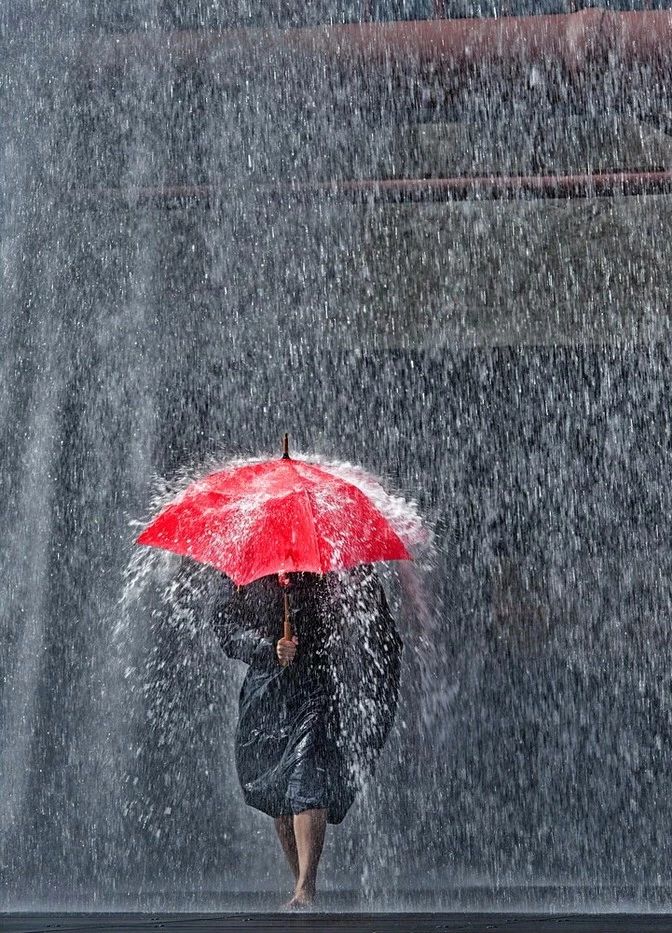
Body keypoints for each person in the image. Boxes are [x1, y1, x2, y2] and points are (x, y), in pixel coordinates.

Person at [206, 565, 403, 910]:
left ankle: (305, 888)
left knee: (307, 774)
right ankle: (301, 882)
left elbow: (364, 614)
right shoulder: (240, 571)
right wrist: (269, 647)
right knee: (277, 790)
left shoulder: (326, 565)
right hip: (266, 693)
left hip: (315, 685)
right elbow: (225, 627)